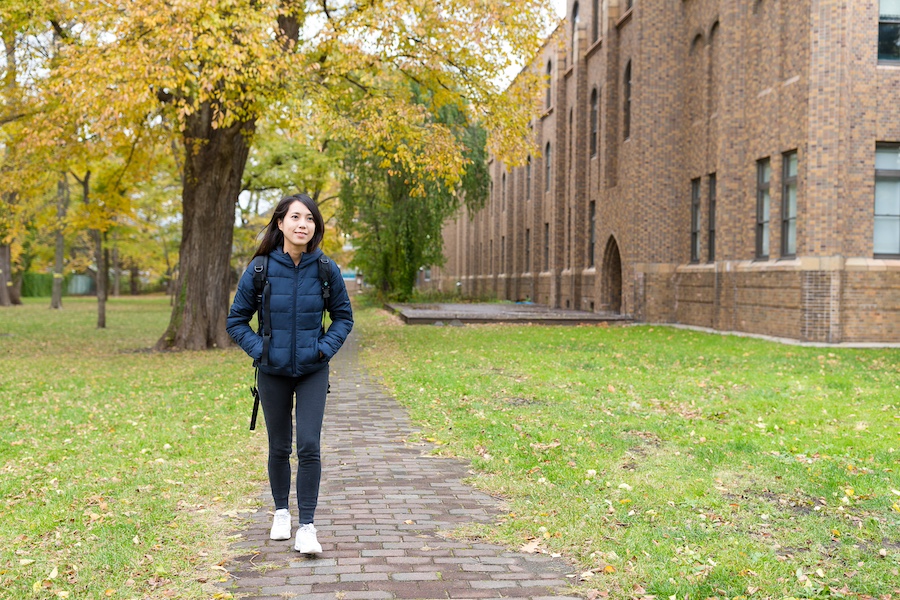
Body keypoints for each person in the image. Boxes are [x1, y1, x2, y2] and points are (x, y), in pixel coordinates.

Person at [226, 193, 353, 554]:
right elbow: (236, 321)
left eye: (309, 218)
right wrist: (261, 350)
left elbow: (344, 317)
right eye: (295, 217)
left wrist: (323, 349)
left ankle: (307, 527)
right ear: (280, 223)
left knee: (309, 445)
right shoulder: (260, 269)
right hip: (273, 371)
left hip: (312, 370)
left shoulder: (326, 269)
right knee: (279, 446)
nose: (303, 224)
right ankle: (281, 511)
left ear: (316, 227)